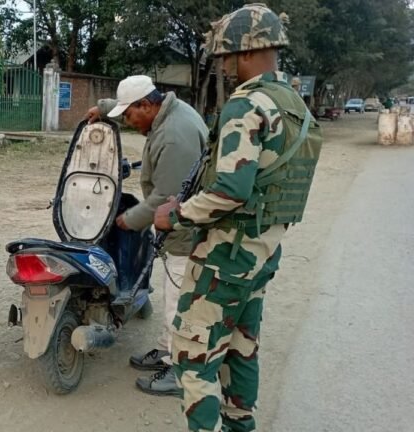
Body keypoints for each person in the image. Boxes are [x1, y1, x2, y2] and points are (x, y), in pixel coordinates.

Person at [153, 4, 323, 431]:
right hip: (261, 253)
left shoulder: (247, 104)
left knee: (193, 357)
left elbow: (230, 189)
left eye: (225, 56)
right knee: (241, 347)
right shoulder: (294, 105)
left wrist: (175, 217)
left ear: (245, 53)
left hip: (225, 258)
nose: (223, 66)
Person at [86, 75, 208, 396]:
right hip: (178, 228)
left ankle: (182, 373)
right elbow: (129, 108)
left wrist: (128, 220)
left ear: (146, 105)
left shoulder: (174, 136)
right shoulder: (166, 111)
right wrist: (104, 109)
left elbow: (167, 199)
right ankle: (169, 350)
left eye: (128, 115)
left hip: (187, 230)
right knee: (172, 295)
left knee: (181, 303)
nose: (127, 122)